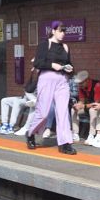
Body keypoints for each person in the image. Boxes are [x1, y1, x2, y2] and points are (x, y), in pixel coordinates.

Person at [26, 20, 76, 155]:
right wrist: (52, 65)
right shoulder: (45, 44)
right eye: (60, 30)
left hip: (62, 81)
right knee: (43, 112)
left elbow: (69, 64)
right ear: (53, 31)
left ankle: (65, 143)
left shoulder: (65, 47)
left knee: (63, 112)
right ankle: (30, 133)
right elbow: (38, 63)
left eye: (64, 31)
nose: (63, 34)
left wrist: (70, 69)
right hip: (47, 78)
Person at [71, 70, 100, 145]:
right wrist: (78, 105)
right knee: (73, 110)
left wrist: (83, 106)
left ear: (87, 80)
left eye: (81, 83)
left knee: (92, 110)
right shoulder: (81, 87)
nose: (79, 85)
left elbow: (96, 104)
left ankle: (91, 135)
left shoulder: (97, 85)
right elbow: (82, 100)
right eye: (79, 83)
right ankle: (75, 134)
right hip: (87, 106)